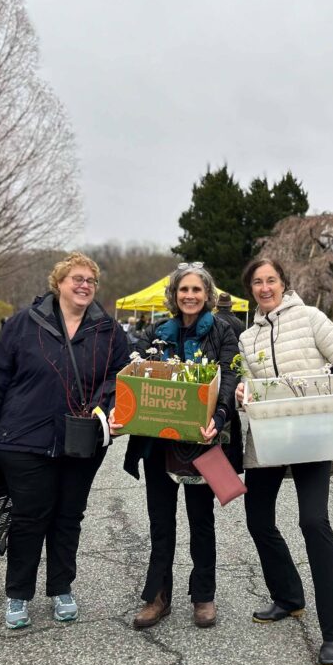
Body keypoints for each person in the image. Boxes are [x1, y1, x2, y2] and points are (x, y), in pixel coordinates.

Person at [0, 253, 129, 629]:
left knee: (68, 516)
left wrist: (107, 411)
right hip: (23, 439)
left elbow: (121, 379)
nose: (85, 285)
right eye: (77, 278)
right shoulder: (25, 324)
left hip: (83, 441)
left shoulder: (108, 330)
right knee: (29, 518)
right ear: (59, 283)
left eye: (91, 280)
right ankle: (18, 594)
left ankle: (61, 589)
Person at [235, 257, 333, 665]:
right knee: (258, 519)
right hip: (269, 437)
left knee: (313, 522)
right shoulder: (246, 337)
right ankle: (289, 597)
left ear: (283, 283)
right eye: (257, 282)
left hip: (313, 434)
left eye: (270, 280)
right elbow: (247, 383)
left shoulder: (311, 318)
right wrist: (243, 392)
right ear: (251, 289)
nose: (264, 288)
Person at [116, 262, 241, 630]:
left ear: (207, 295)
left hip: (202, 443)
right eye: (183, 290)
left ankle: (203, 595)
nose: (189, 296)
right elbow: (136, 373)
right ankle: (158, 596)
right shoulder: (156, 332)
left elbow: (230, 377)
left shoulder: (221, 330)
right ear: (174, 295)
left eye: (196, 290)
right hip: (159, 442)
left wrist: (218, 417)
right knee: (160, 521)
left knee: (201, 521)